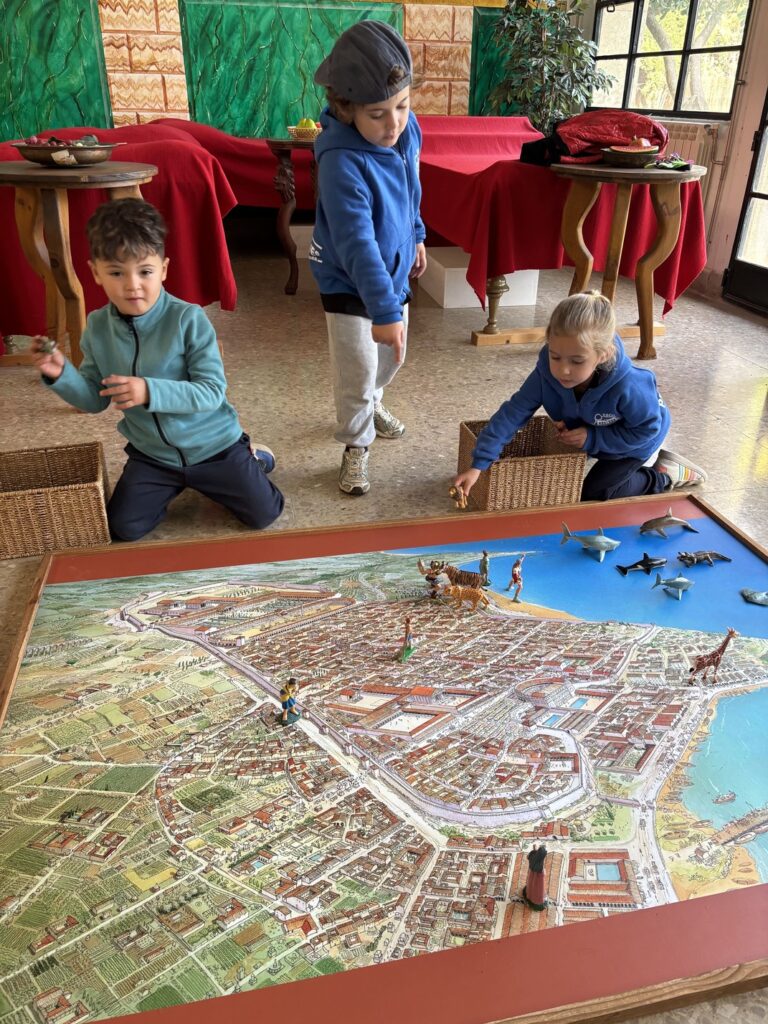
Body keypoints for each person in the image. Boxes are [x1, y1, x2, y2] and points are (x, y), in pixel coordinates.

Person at [32, 198, 284, 541]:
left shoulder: (188, 319)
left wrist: (149, 390)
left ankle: (255, 459)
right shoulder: (97, 327)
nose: (132, 285)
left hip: (216, 448)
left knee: (264, 514)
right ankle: (176, 485)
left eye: (145, 271)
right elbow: (94, 399)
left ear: (163, 269)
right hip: (153, 457)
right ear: (95, 273)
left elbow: (212, 392)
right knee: (124, 528)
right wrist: (61, 375)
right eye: (116, 273)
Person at [310, 19, 427, 495]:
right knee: (357, 369)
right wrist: (383, 311)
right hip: (346, 278)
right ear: (346, 107)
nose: (394, 123)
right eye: (377, 114)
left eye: (402, 106)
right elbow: (357, 243)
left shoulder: (405, 130)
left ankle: (373, 401)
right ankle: (356, 444)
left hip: (392, 271)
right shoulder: (340, 161)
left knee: (391, 357)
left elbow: (411, 189)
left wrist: (416, 234)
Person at [453, 292, 707, 504]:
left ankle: (664, 475)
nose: (563, 370)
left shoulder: (630, 385)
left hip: (636, 441)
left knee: (594, 493)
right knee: (553, 484)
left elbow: (646, 430)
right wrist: (479, 464)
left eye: (577, 361)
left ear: (603, 354)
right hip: (591, 425)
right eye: (555, 356)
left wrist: (594, 438)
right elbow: (513, 412)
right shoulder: (546, 371)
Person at [522, 842, 548, 911]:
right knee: (537, 889)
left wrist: (535, 850)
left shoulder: (534, 856)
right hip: (538, 876)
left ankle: (533, 898)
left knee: (533, 886)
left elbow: (529, 857)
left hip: (533, 874)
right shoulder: (538, 860)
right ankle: (536, 901)